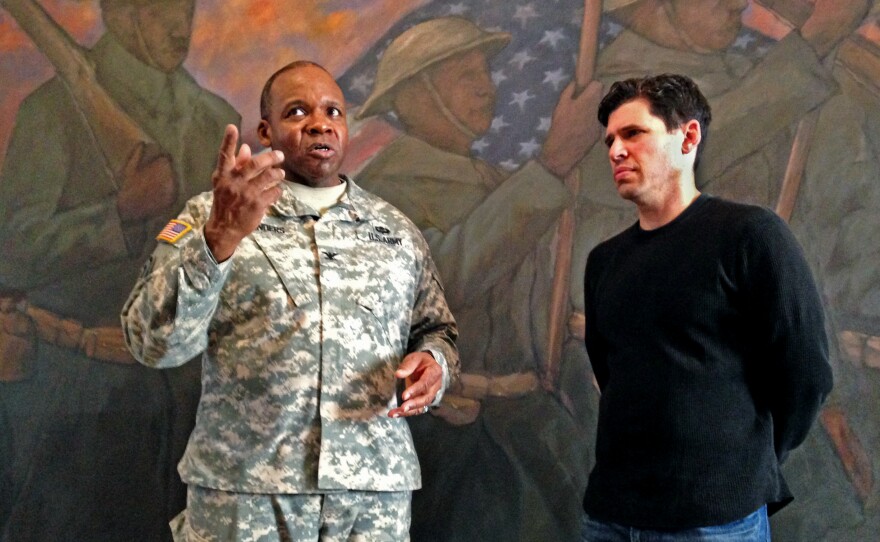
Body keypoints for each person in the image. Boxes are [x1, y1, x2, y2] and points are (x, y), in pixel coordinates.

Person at [121, 60, 459, 541]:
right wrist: (217, 240)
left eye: (333, 111)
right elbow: (151, 343)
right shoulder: (213, 214)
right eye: (298, 111)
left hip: (369, 502)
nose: (320, 123)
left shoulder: (396, 232)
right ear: (266, 129)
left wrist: (434, 366)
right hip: (248, 496)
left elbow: (437, 330)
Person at [353, 16, 604, 541]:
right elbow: (444, 278)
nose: (485, 88)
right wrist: (551, 165)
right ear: (415, 97)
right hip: (453, 436)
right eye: (464, 76)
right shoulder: (376, 195)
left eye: (484, 73)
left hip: (529, 418)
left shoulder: (494, 182)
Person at [0, 0, 239, 540]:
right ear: (121, 14)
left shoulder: (212, 116)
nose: (181, 25)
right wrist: (117, 215)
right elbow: (11, 249)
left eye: (187, 8)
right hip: (75, 393)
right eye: (161, 11)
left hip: (185, 393)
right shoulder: (54, 110)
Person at [580, 73, 833, 541]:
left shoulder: (751, 236)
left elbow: (807, 373)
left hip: (713, 520)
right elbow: (611, 376)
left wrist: (743, 462)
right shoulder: (603, 262)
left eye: (633, 133)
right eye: (610, 140)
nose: (616, 150)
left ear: (688, 136)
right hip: (610, 516)